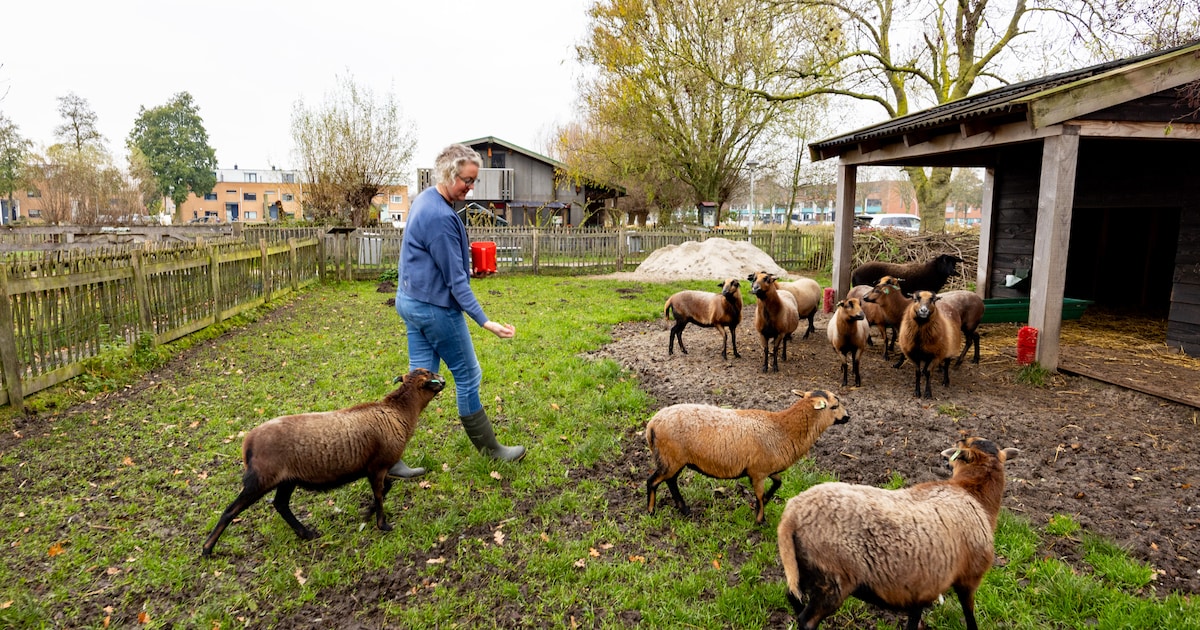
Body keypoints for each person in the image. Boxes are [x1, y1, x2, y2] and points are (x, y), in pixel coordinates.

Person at [389, 143, 526, 479]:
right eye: (467, 180)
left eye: (474, 180)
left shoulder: (426, 200)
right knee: (468, 376)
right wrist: (486, 321)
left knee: (419, 382)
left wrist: (469, 270)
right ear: (450, 175)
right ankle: (491, 450)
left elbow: (436, 263)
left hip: (411, 301)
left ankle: (387, 456)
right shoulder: (440, 217)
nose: (471, 187)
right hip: (435, 309)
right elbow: (455, 283)